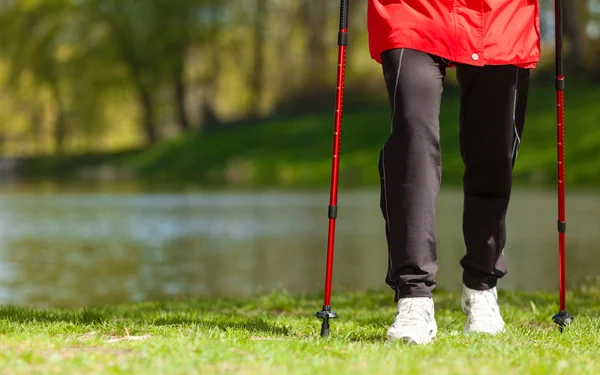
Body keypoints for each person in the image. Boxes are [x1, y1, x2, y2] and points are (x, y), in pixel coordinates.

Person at [367, 1, 540, 344]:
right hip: (412, 9)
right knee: (412, 140)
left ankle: (481, 284)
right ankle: (413, 296)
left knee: (494, 152)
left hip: (501, 14)